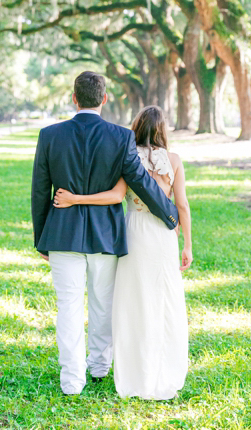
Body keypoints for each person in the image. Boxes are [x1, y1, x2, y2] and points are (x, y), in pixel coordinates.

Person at [31, 72, 179, 395]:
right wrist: (170, 214)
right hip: (106, 236)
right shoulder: (119, 137)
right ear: (104, 99)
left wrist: (41, 237)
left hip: (61, 236)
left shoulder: (49, 135)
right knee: (102, 305)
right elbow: (140, 180)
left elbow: (40, 191)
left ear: (74, 98)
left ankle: (72, 381)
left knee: (68, 307)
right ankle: (99, 367)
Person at [54, 105, 192, 400]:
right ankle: (164, 368)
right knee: (164, 299)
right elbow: (182, 206)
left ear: (136, 126)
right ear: (163, 129)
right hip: (163, 236)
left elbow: (116, 196)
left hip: (134, 233)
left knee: (131, 301)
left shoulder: (127, 156)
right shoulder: (175, 160)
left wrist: (74, 198)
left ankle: (131, 371)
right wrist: (188, 244)